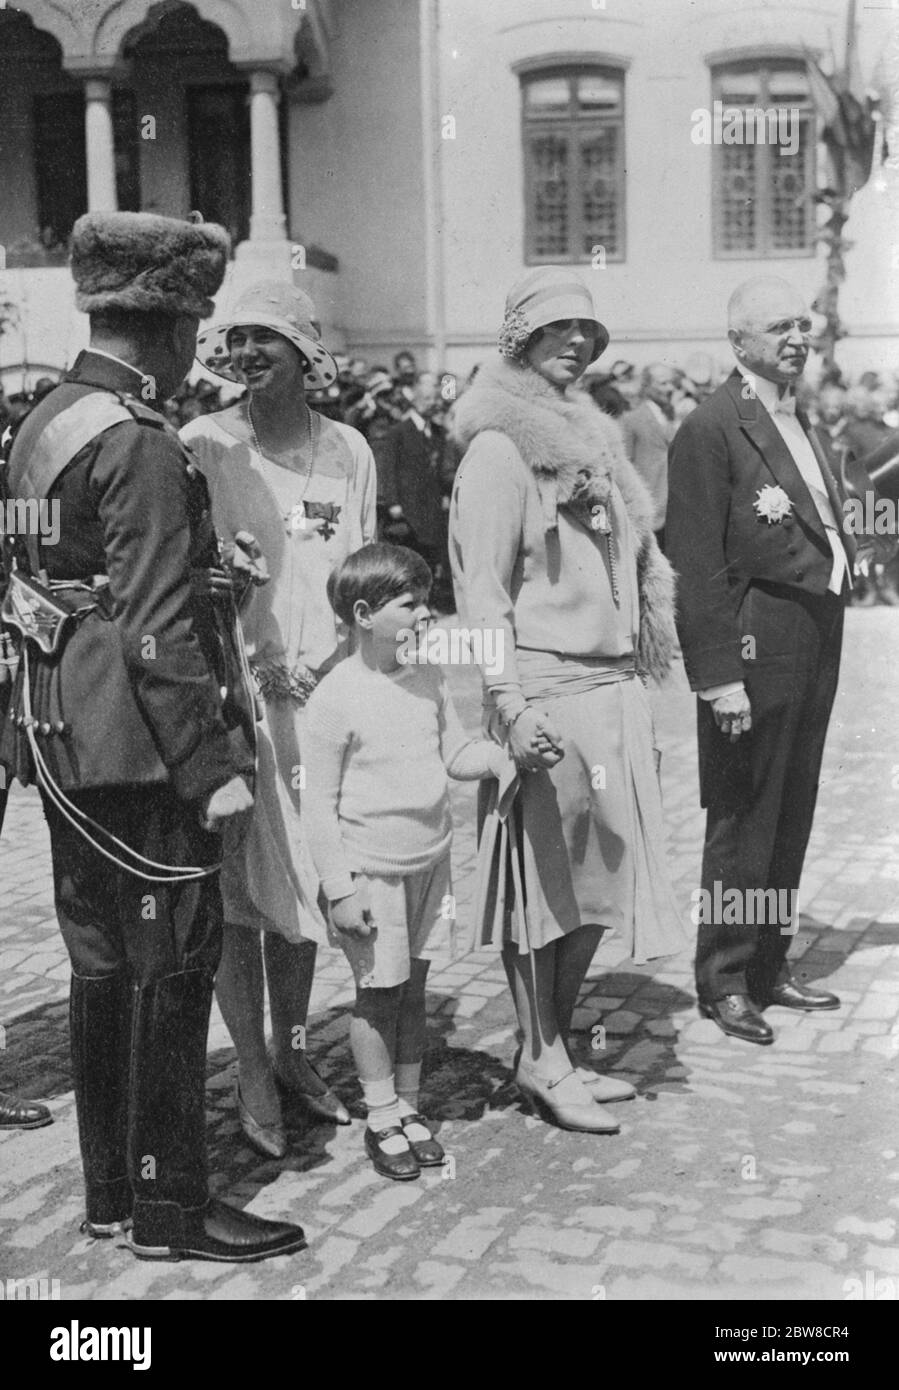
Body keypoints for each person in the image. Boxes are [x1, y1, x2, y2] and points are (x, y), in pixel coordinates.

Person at [0, 211, 305, 1261]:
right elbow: (155, 630)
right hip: (139, 748)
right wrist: (211, 767)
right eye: (193, 326)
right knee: (173, 965)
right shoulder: (135, 440)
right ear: (169, 323)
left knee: (101, 965)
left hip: (62, 731)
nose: (196, 350)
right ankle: (172, 1207)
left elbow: (48, 573)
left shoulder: (47, 414)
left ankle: (110, 1195)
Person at [449, 267, 687, 1135]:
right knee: (541, 890)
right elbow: (480, 594)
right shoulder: (497, 450)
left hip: (612, 687)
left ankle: (549, 1044)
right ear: (520, 340)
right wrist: (507, 705)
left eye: (588, 331)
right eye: (558, 330)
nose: (577, 343)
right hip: (545, 690)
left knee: (599, 880)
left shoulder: (593, 436)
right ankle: (540, 1053)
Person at [187, 280, 377, 1156]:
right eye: (236, 339)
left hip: (323, 693)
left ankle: (296, 1052)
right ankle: (252, 1066)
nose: (249, 353)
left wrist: (340, 663)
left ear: (306, 352)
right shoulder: (204, 446)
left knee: (306, 878)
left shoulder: (348, 451)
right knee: (238, 888)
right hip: (237, 697)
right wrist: (215, 587)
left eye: (268, 338)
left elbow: (363, 576)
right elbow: (171, 577)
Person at [666, 276, 854, 1046]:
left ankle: (769, 962)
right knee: (743, 814)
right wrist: (718, 677)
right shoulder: (711, 428)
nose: (797, 339)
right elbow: (694, 561)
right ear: (737, 340)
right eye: (779, 327)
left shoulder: (795, 418)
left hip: (812, 635)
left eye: (802, 325)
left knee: (790, 809)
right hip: (753, 639)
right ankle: (724, 977)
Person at [303, 543, 513, 1180]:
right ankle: (379, 1113)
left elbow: (455, 754)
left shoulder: (428, 676)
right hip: (372, 876)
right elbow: (317, 807)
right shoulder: (336, 697)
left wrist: (500, 760)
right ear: (364, 614)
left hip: (431, 864)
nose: (426, 615)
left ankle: (411, 1103)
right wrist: (339, 888)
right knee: (375, 995)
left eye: (427, 601)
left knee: (413, 988)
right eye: (410, 604)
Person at [373, 372, 455, 611]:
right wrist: (393, 503)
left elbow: (442, 471)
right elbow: (388, 470)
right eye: (429, 399)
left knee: (429, 557)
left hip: (431, 508)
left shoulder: (438, 432)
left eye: (435, 399)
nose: (434, 403)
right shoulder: (399, 432)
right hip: (407, 508)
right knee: (409, 557)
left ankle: (424, 604)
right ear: (417, 401)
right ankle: (406, 605)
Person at [621, 363, 679, 550]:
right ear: (646, 386)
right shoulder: (631, 420)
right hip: (649, 512)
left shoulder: (671, 416)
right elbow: (624, 468)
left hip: (673, 511)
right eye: (663, 383)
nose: (670, 389)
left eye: (672, 383)